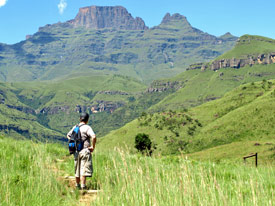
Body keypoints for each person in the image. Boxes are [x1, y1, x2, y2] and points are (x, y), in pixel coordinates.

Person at [67, 112, 96, 190]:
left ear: (80, 119)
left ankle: (77, 185)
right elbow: (93, 136)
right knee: (84, 168)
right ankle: (83, 186)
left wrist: (74, 142)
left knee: (77, 168)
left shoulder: (75, 127)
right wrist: (93, 146)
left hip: (76, 151)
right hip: (85, 150)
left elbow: (68, 135)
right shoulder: (87, 127)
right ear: (87, 120)